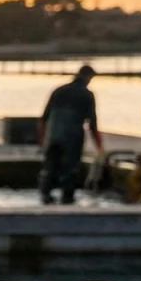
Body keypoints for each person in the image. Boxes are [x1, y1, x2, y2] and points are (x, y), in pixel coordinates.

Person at [37, 64, 105, 205]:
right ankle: (67, 199)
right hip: (73, 137)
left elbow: (44, 118)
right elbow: (92, 124)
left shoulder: (59, 91)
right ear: (89, 77)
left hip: (54, 135)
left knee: (50, 168)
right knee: (71, 170)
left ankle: (45, 197)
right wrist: (100, 148)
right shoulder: (87, 95)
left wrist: (43, 139)